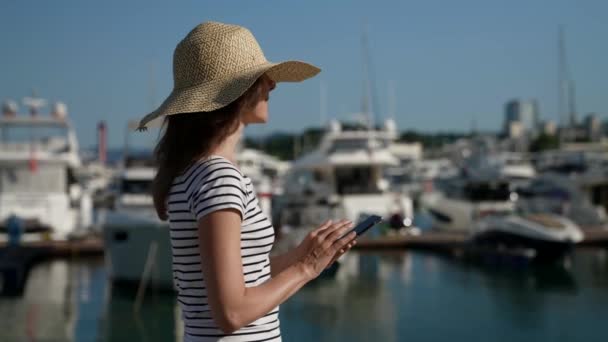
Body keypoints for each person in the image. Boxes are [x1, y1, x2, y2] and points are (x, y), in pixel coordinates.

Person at [137, 21, 357, 342]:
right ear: (235, 91)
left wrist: (306, 254)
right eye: (261, 77)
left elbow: (244, 279)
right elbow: (231, 313)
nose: (272, 85)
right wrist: (305, 268)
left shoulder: (193, 172)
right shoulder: (219, 178)